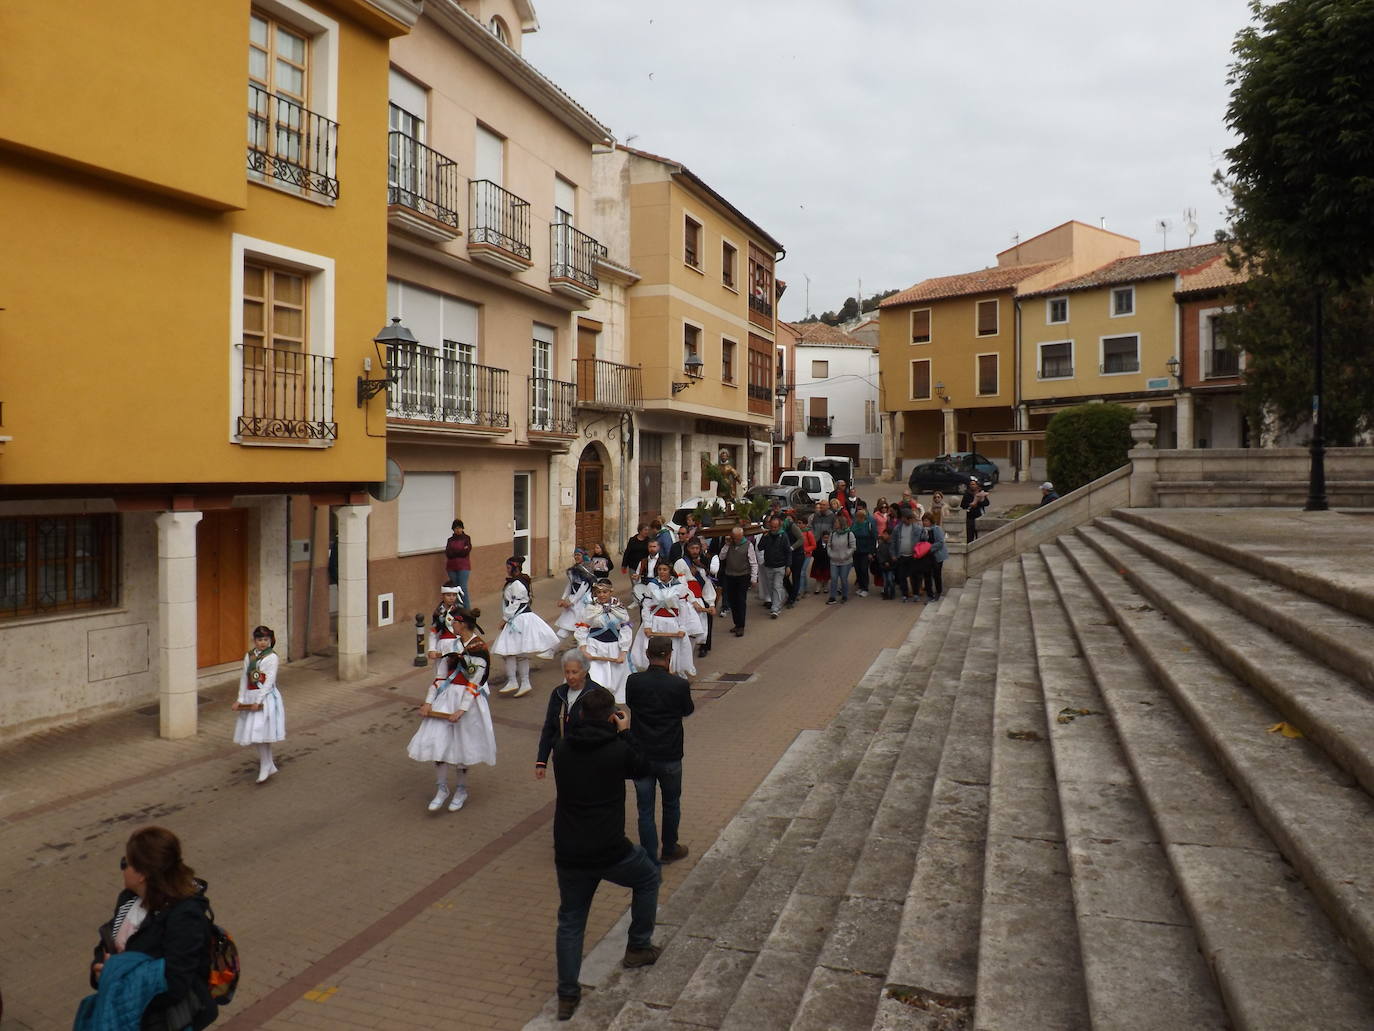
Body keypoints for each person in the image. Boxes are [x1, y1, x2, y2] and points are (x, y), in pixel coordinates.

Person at [549, 686, 660, 1021]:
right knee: (649, 877)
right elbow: (642, 767)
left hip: (569, 850)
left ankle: (567, 995)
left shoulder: (561, 749)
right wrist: (626, 734)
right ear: (612, 716)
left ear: (580, 715)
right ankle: (638, 945)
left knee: (571, 920)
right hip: (610, 848)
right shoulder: (617, 750)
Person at [83, 826, 216, 1031]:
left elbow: (175, 983)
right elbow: (106, 945)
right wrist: (99, 970)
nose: (122, 868)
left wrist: (119, 987)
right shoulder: (128, 900)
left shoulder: (185, 916)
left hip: (156, 1022)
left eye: (125, 863)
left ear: (142, 874)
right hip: (121, 1012)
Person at [406, 613, 495, 812]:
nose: (451, 624)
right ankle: (442, 788)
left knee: (463, 748)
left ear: (462, 624)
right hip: (446, 698)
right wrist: (429, 702)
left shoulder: (479, 649)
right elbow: (440, 676)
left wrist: (462, 710)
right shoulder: (451, 646)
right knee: (437, 741)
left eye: (453, 621)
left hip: (468, 702)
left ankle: (461, 789)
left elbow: (474, 683)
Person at [626, 635, 694, 866]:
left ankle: (648, 854)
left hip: (641, 753)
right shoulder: (679, 684)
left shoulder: (634, 681)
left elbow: (631, 702)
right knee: (671, 803)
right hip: (670, 753)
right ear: (669, 656)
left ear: (647, 655)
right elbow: (687, 710)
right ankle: (670, 848)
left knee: (645, 808)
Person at [493, 555, 560, 698]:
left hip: (519, 619)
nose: (507, 569)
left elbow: (517, 602)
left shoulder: (517, 583)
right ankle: (520, 682)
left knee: (512, 652)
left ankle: (519, 682)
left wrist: (505, 619)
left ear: (515, 567)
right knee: (516, 652)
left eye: (508, 567)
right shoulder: (518, 581)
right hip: (517, 619)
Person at [232, 625, 284, 784]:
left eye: (266, 640)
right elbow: (244, 678)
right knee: (259, 735)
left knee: (260, 732)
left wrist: (258, 700)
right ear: (254, 640)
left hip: (266, 698)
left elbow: (269, 681)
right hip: (250, 696)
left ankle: (266, 765)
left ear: (270, 641)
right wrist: (240, 699)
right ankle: (269, 764)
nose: (262, 643)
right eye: (260, 639)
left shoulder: (272, 657)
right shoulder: (249, 656)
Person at [574, 580, 635, 703]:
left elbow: (625, 628)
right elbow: (583, 627)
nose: (601, 595)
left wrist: (623, 651)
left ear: (610, 592)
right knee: (594, 677)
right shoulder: (590, 607)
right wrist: (583, 648)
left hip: (614, 648)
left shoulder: (619, 607)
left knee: (615, 680)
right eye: (599, 592)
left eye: (605, 592)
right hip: (594, 647)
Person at [631, 561, 695, 675]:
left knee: (673, 650)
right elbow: (646, 607)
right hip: (655, 622)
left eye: (664, 569)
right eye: (659, 569)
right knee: (651, 648)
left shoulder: (679, 586)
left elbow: (683, 609)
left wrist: (682, 628)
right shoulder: (652, 585)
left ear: (670, 571)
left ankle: (671, 674)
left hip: (673, 623)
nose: (661, 572)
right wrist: (647, 625)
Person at [714, 525, 757, 638]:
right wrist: (727, 544)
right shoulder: (729, 544)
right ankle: (736, 623)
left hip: (743, 576)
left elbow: (753, 562)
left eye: (737, 538)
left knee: (741, 601)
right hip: (730, 576)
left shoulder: (748, 545)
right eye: (734, 538)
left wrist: (753, 578)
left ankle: (741, 626)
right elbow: (721, 557)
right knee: (732, 601)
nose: (735, 540)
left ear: (741, 536)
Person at [681, 538, 716, 658]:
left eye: (697, 548)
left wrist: (711, 603)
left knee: (707, 619)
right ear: (687, 549)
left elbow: (709, 580)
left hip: (704, 593)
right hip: (689, 597)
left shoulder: (705, 560)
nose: (695, 551)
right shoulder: (683, 562)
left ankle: (704, 646)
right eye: (692, 548)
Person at [554, 548, 598, 641]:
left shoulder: (587, 569)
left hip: (583, 602)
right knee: (567, 627)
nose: (576, 557)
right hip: (574, 601)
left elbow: (583, 587)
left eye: (579, 555)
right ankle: (551, 651)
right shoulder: (574, 569)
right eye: (575, 555)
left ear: (583, 556)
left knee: (581, 628)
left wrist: (572, 602)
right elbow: (570, 584)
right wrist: (563, 598)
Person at [757, 515, 792, 619]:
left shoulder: (783, 536)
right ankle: (776, 603)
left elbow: (788, 552)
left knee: (777, 586)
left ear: (779, 526)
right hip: (769, 565)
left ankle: (775, 609)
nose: (773, 529)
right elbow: (760, 547)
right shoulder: (767, 535)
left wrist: (788, 566)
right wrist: (764, 536)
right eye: (772, 526)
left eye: (775, 527)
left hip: (780, 566)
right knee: (772, 587)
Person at [426, 585, 463, 669]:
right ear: (442, 596)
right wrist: (432, 648)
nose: (451, 598)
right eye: (448, 595)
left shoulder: (460, 611)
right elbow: (433, 633)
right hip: (442, 646)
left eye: (454, 595)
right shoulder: (438, 613)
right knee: (442, 674)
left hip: (458, 645)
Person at [826, 512, 856, 604]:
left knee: (843, 578)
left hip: (845, 561)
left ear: (841, 523)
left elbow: (853, 547)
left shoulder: (849, 534)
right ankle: (832, 596)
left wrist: (845, 555)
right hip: (834, 560)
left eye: (836, 522)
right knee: (834, 578)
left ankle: (844, 595)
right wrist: (830, 554)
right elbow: (829, 545)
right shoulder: (833, 534)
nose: (835, 524)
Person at [892, 506, 921, 602]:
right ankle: (904, 594)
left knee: (914, 576)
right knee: (902, 576)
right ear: (903, 518)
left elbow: (922, 539)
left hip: (913, 556)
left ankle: (916, 594)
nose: (909, 521)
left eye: (911, 519)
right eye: (908, 519)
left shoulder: (917, 528)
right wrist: (893, 554)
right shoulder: (897, 529)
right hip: (901, 556)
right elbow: (893, 542)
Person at [921, 514, 949, 602]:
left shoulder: (937, 529)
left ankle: (938, 591)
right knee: (927, 574)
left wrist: (930, 548)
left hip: (937, 555)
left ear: (931, 521)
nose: (925, 523)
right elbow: (922, 540)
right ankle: (929, 594)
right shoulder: (923, 530)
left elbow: (940, 542)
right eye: (924, 521)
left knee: (937, 574)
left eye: (926, 521)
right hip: (927, 556)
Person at [851, 504, 877, 597]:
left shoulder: (868, 525)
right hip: (856, 551)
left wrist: (871, 552)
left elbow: (873, 539)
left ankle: (865, 588)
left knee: (864, 569)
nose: (857, 518)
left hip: (866, 552)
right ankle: (861, 587)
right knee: (857, 569)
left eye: (859, 516)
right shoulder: (854, 525)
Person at [444, 519, 473, 600]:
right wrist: (460, 550)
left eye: (460, 528)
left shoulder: (466, 538)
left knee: (463, 588)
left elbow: (466, 552)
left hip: (463, 567)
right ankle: (457, 609)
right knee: (454, 589)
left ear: (462, 528)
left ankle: (466, 610)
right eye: (456, 528)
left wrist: (454, 552)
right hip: (451, 567)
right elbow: (448, 553)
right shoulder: (450, 540)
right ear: (453, 529)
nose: (458, 530)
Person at [961, 476, 989, 542]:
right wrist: (970, 504)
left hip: (980, 517)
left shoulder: (981, 493)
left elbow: (987, 503)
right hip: (970, 518)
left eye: (973, 484)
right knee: (970, 538)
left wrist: (980, 501)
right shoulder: (967, 494)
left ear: (977, 485)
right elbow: (963, 505)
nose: (972, 486)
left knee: (980, 538)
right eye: (971, 484)